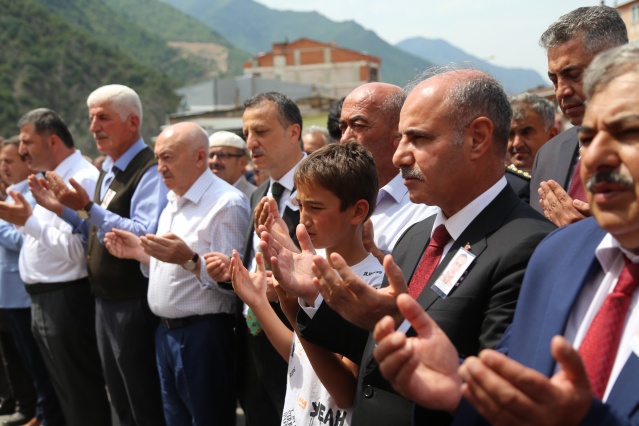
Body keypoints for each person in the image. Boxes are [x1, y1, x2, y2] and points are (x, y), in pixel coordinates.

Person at [266, 68, 555, 426]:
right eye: (401, 138)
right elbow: (372, 357)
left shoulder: (531, 247)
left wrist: (393, 324)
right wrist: (318, 299)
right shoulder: (417, 236)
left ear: (478, 138)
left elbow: (497, 393)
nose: (400, 155)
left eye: (418, 138)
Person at [374, 43, 639, 425]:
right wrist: (459, 387)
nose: (596, 158)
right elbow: (515, 391)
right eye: (587, 139)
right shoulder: (558, 254)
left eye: (627, 132)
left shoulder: (530, 243)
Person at [104, 122, 249, 425]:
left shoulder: (226, 203)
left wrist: (190, 260)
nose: (160, 168)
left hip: (203, 334)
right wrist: (139, 252)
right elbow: (175, 264)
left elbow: (233, 283)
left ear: (199, 158)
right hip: (166, 332)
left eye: (168, 158)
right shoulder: (173, 200)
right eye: (157, 158)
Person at [41, 85, 167, 425]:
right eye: (91, 118)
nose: (94, 126)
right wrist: (63, 210)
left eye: (104, 118)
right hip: (105, 301)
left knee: (142, 399)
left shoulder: (149, 169)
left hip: (133, 301)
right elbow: (96, 230)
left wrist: (86, 207)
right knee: (121, 397)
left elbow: (142, 234)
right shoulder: (109, 171)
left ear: (132, 122)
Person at [233, 142, 382, 425]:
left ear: (357, 211)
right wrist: (258, 301)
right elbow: (300, 357)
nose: (304, 218)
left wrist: (292, 307)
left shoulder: (372, 285)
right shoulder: (309, 267)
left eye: (315, 207)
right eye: (299, 205)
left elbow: (344, 392)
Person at [0, 108, 111, 426]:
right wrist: (24, 221)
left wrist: (28, 222)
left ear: (52, 141)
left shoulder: (81, 177)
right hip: (43, 297)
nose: (21, 151)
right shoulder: (49, 177)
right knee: (62, 394)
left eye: (26, 142)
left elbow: (79, 252)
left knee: (80, 395)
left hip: (66, 297)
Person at [234, 92, 306, 426]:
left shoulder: (319, 191)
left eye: (261, 131)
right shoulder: (259, 192)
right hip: (254, 336)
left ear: (294, 132)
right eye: (247, 133)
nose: (251, 142)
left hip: (298, 340)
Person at [529, 6, 628, 227]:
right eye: (554, 80)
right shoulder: (547, 155)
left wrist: (595, 236)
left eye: (573, 75)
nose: (561, 91)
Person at [0, 138, 63, 426]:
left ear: (27, 163)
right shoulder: (13, 193)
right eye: (2, 161)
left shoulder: (33, 194)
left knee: (39, 363)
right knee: (23, 361)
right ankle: (39, 410)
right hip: (11, 293)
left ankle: (44, 412)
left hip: (25, 294)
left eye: (9, 161)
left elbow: (23, 239)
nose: (3, 167)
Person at [505, 93, 558, 203]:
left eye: (526, 133)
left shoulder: (568, 177)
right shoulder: (497, 185)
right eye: (510, 134)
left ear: (552, 135)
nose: (517, 144)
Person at [208, 130, 256, 197]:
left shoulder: (255, 197)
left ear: (242, 162)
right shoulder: (203, 195)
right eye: (211, 155)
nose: (215, 161)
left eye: (223, 155)